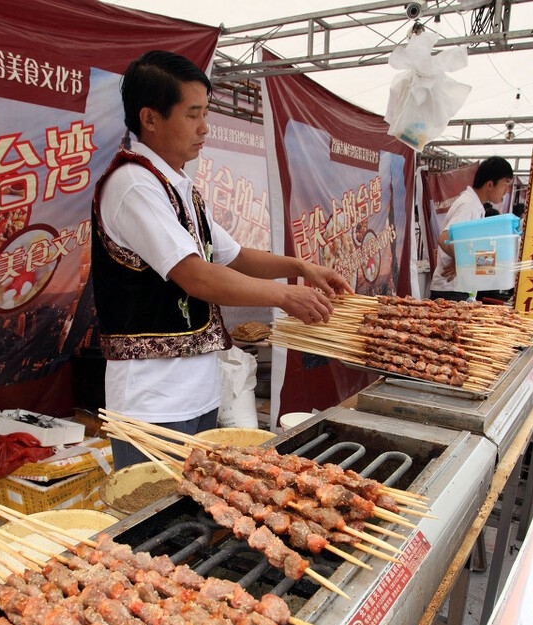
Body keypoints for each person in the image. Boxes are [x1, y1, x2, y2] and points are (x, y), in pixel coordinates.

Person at [90, 51, 351, 468]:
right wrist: (284, 298)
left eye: (206, 113)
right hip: (154, 404)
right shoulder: (134, 185)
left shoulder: (179, 188)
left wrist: (301, 269)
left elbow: (234, 256)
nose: (204, 128)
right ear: (150, 118)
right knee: (156, 523)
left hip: (198, 392)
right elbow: (197, 277)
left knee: (196, 514)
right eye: (192, 115)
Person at [429, 156, 515, 301]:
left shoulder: (476, 206)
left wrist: (465, 262)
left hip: (458, 289)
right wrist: (463, 261)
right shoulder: (469, 206)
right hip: (450, 291)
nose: (506, 190)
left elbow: (468, 248)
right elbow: (444, 238)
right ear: (490, 184)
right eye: (505, 184)